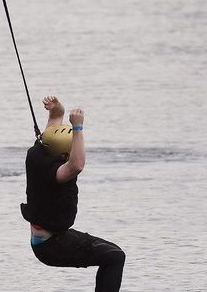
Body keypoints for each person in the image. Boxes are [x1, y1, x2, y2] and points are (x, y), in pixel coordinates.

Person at [21, 96, 125, 292]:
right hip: (51, 246)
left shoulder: (41, 149)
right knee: (115, 257)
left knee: (114, 253)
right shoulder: (54, 172)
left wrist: (56, 107)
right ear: (63, 155)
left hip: (53, 238)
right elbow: (77, 165)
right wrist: (77, 128)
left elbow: (56, 117)